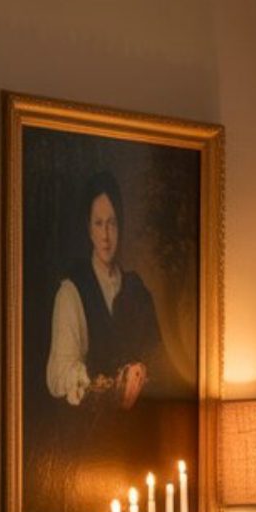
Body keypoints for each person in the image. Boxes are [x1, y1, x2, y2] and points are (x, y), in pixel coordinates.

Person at [45, 172, 166, 410]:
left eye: (112, 223)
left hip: (139, 428)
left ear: (120, 226)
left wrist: (143, 371)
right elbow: (60, 376)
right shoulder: (72, 292)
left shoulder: (136, 289)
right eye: (98, 224)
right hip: (93, 430)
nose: (106, 236)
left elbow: (160, 360)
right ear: (89, 229)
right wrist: (114, 382)